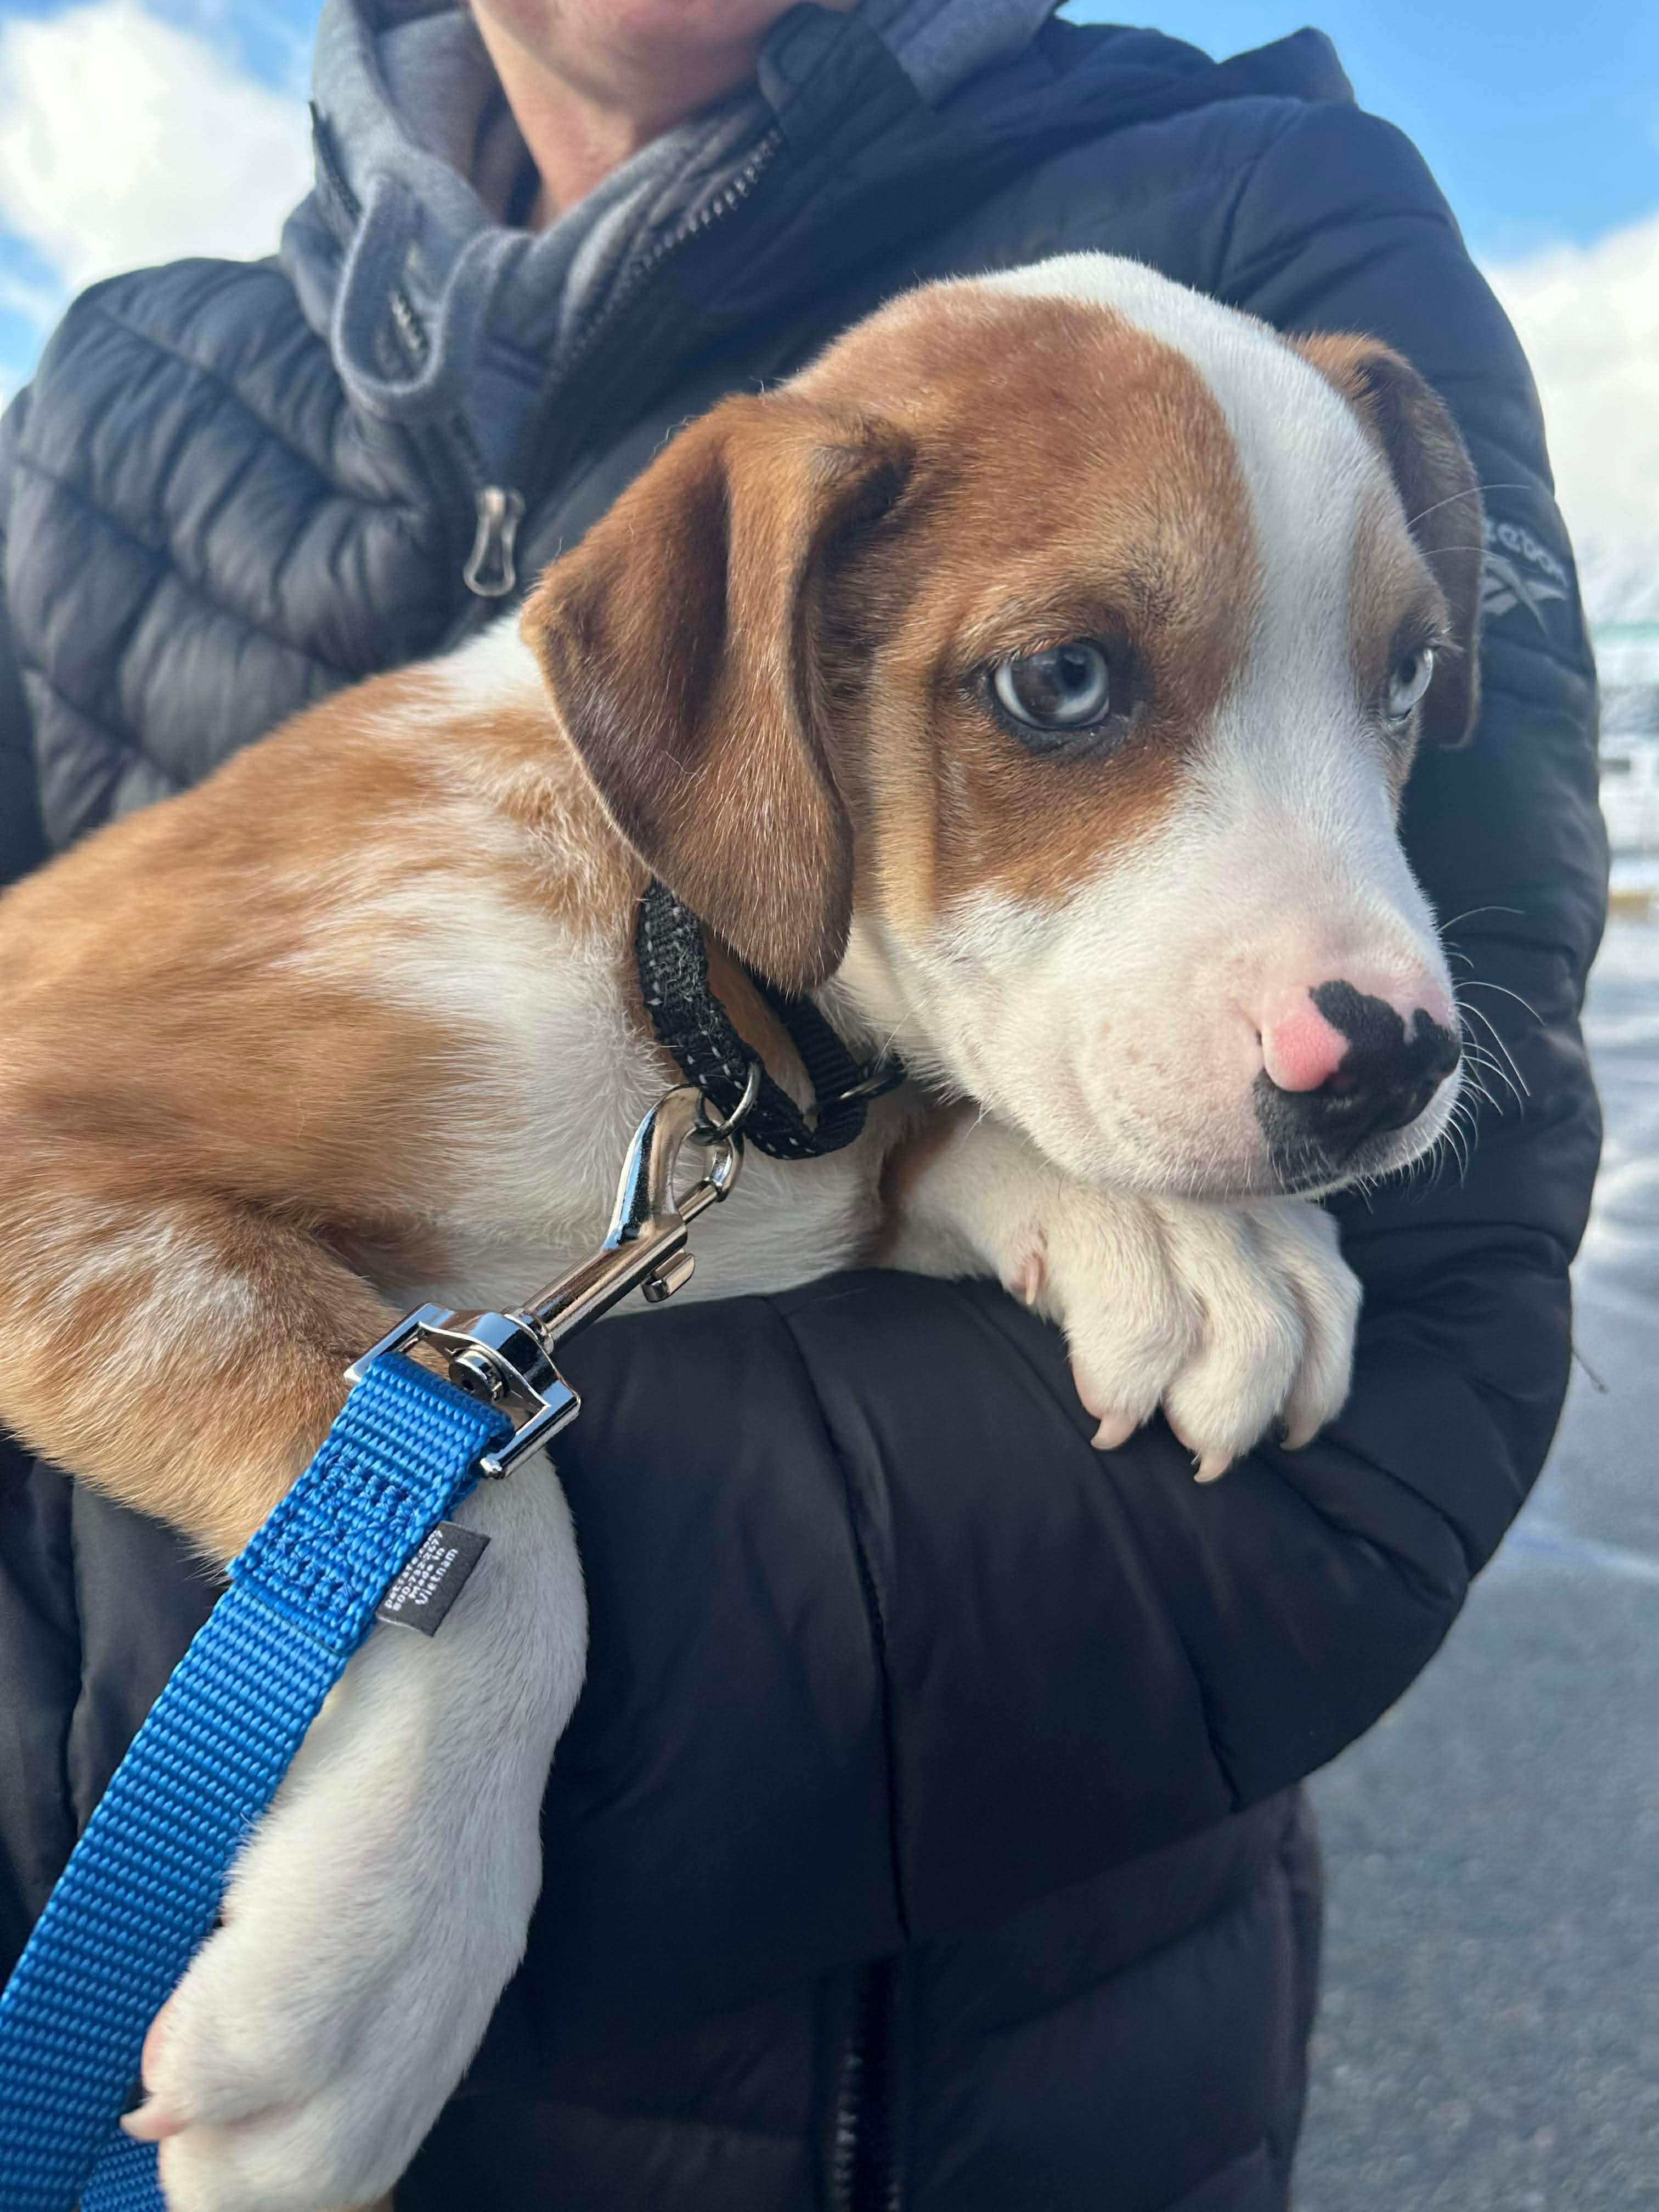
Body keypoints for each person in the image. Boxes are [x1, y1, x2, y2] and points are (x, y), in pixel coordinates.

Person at [0, 2, 1603, 2205]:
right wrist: (415, 1595)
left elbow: (1405, 1372)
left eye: (1388, 677)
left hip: (965, 2097)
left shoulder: (1258, 215)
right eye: (1071, 682)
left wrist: (985, 1165)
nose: (1379, 986)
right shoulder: (124, 397)